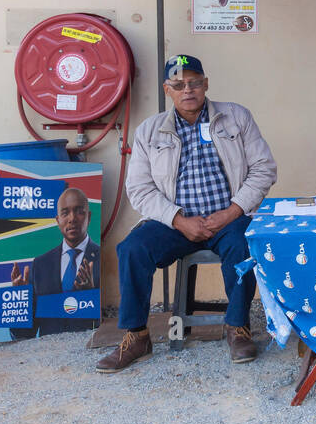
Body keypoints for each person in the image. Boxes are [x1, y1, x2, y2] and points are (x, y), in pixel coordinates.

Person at [97, 54, 278, 373]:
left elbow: (264, 168)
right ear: (168, 89)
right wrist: (178, 220)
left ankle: (237, 328)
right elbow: (139, 188)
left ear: (206, 83)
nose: (188, 90)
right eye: (179, 85)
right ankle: (136, 335)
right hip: (173, 223)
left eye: (194, 83)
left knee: (244, 244)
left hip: (227, 216)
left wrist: (232, 211)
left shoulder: (235, 117)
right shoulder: (149, 131)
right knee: (132, 248)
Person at [9, 187, 100, 338]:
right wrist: (20, 300)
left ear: (88, 217)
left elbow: (112, 327)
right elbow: (23, 335)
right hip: (49, 355)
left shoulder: (104, 259)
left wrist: (89, 296)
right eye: (65, 213)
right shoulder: (40, 265)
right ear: (58, 220)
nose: (72, 218)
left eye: (79, 211)